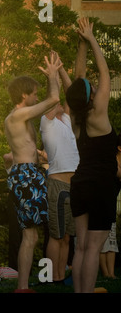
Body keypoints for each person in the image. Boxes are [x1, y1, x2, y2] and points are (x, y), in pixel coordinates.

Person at [66, 18, 119, 293]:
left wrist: (82, 45)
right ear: (90, 96)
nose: (97, 88)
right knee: (94, 248)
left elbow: (78, 80)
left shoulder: (77, 116)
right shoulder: (97, 113)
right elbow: (105, 73)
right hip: (100, 186)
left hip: (81, 184)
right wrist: (92, 38)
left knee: (82, 246)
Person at [4, 52, 62, 292]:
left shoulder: (22, 119)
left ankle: (25, 285)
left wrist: (36, 155)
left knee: (34, 235)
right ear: (24, 95)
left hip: (29, 173)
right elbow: (54, 99)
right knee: (30, 236)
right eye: (34, 93)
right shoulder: (18, 115)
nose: (37, 97)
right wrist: (53, 75)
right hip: (26, 176)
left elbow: (19, 150)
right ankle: (23, 287)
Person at [40, 52, 80, 284]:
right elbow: (53, 97)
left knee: (67, 236)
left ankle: (61, 275)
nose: (63, 105)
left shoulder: (65, 120)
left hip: (73, 185)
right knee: (56, 235)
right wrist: (51, 76)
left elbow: (71, 94)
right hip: (56, 184)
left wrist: (62, 70)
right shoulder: (47, 121)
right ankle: (53, 278)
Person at [99, 133, 121, 279]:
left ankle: (111, 274)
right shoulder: (112, 161)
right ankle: (105, 272)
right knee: (102, 241)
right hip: (102, 202)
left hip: (112, 204)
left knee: (112, 241)